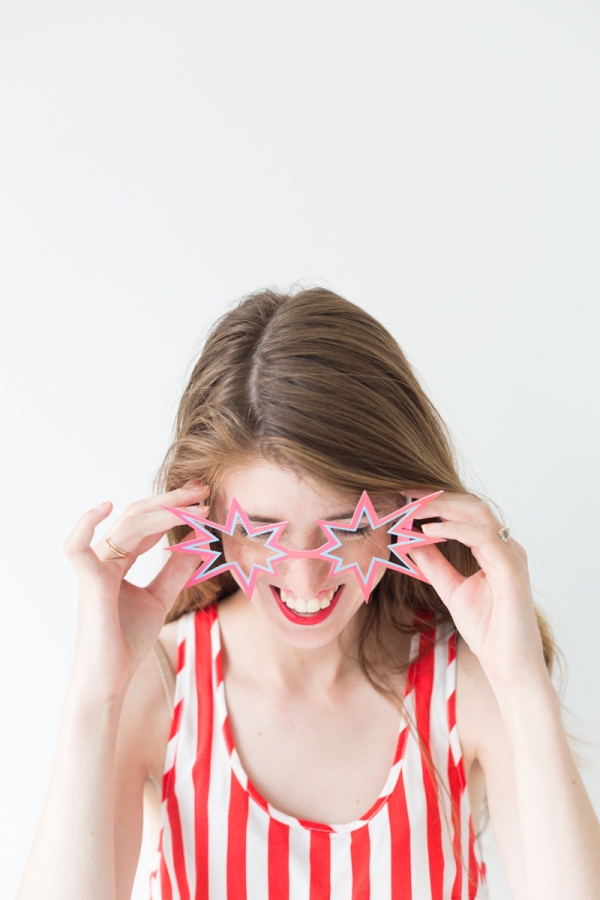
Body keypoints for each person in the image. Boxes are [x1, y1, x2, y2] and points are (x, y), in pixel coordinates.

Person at [17, 288, 600, 900]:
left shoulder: (463, 685)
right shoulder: (161, 684)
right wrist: (94, 699)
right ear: (201, 514)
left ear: (406, 509)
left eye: (346, 527)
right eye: (256, 530)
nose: (304, 583)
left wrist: (521, 682)